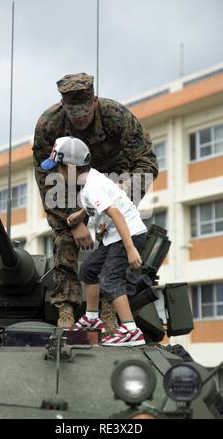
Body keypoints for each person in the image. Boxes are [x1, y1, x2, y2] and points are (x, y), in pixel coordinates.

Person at [33, 72, 158, 329]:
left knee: (113, 239)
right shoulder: (49, 125)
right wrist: (74, 221)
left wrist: (121, 192)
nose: (80, 121)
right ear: (63, 108)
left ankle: (109, 307)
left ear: (95, 102)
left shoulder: (116, 116)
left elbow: (146, 162)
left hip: (113, 179)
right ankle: (66, 307)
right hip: (67, 181)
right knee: (64, 238)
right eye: (74, 116)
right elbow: (46, 178)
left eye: (85, 115)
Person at [41, 137, 147, 347]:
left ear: (70, 167)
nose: (57, 174)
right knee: (88, 270)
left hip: (128, 235)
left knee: (109, 279)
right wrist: (80, 215)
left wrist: (130, 249)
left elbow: (116, 214)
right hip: (115, 237)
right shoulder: (91, 180)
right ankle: (92, 318)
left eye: (59, 169)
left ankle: (131, 331)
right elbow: (100, 204)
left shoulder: (91, 187)